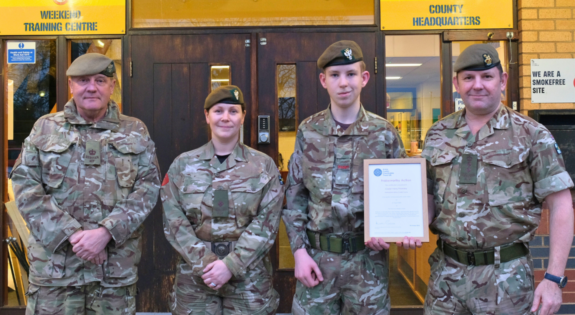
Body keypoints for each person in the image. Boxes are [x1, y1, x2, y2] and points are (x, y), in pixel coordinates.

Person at [422, 44, 574, 315]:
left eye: (486, 77)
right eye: (468, 78)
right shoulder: (438, 133)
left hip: (506, 280)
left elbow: (562, 206)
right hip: (446, 278)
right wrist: (402, 226)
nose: (477, 85)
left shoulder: (532, 134)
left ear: (502, 81)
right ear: (457, 84)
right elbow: (429, 197)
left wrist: (553, 279)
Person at [10, 53, 161, 314]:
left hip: (112, 274)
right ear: (71, 86)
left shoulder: (135, 131)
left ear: (112, 86)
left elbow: (148, 189)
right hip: (55, 273)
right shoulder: (44, 128)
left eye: (100, 80)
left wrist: (105, 233)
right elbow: (25, 187)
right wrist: (74, 235)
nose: (92, 87)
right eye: (83, 80)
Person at [283, 40, 417, 315]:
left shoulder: (384, 133)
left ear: (364, 78)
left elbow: (403, 196)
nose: (343, 83)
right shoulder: (308, 132)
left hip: (368, 264)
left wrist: (398, 230)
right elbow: (295, 198)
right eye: (335, 75)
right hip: (317, 260)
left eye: (351, 74)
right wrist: (298, 252)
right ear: (323, 80)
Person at [161, 85, 283, 314]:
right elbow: (173, 221)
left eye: (233, 111)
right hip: (196, 277)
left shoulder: (263, 166)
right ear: (207, 116)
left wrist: (231, 265)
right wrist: (205, 264)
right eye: (218, 111)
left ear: (243, 117)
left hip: (249, 277)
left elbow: (268, 222)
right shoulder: (183, 165)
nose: (225, 117)